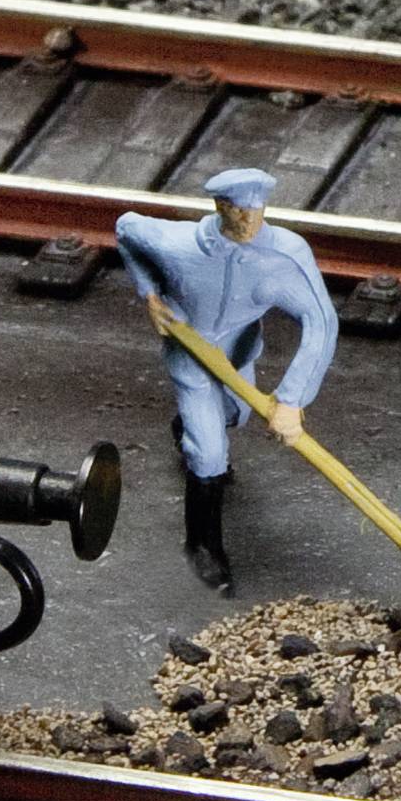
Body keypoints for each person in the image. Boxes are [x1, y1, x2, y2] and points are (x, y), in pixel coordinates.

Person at [114, 166, 341, 592]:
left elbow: (322, 322)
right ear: (220, 207)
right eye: (239, 211)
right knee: (210, 453)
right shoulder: (178, 243)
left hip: (236, 359)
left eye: (258, 211)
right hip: (191, 359)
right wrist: (150, 294)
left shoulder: (287, 255)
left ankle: (187, 428)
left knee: (235, 415)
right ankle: (203, 546)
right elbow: (126, 229)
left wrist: (291, 399)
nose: (250, 221)